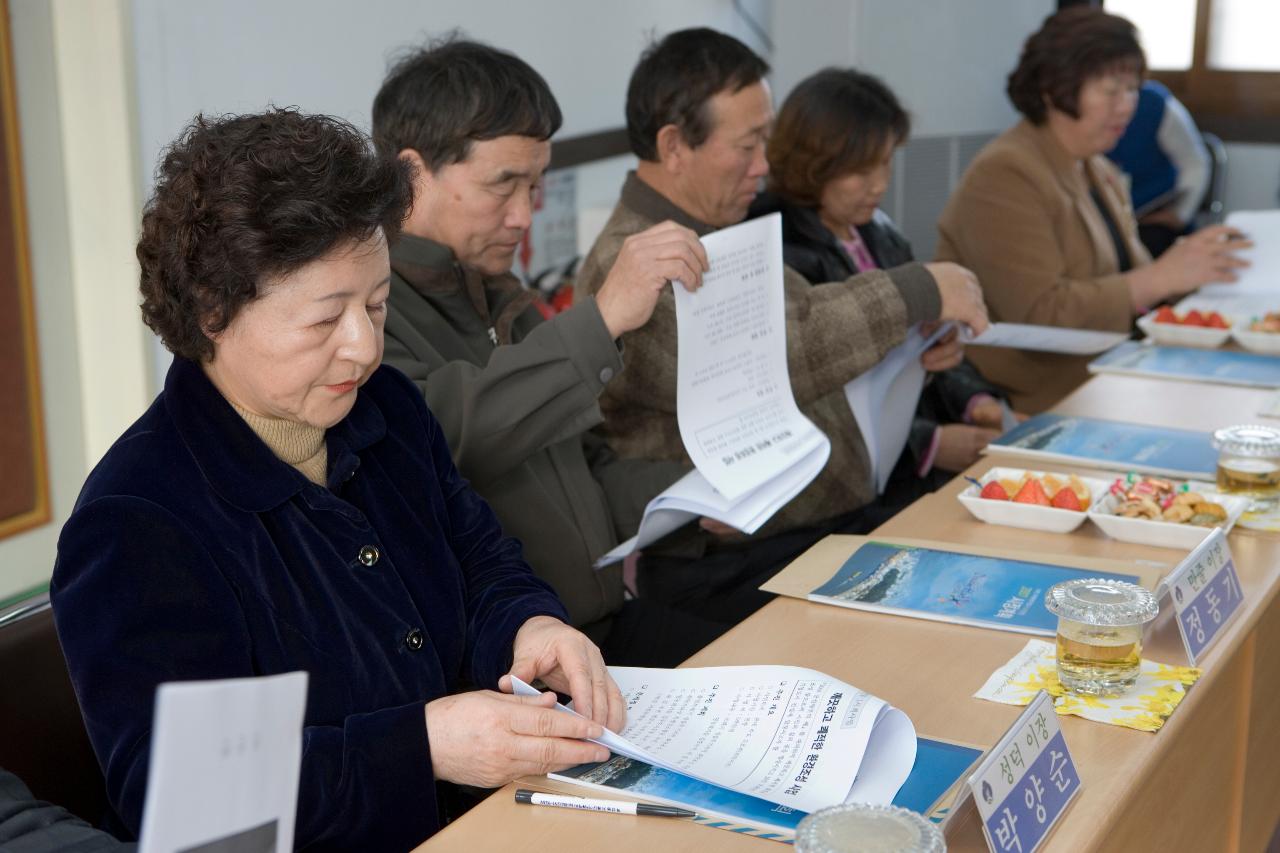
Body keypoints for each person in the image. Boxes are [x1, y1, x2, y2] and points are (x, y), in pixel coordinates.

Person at [50, 109, 623, 852]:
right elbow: (190, 799)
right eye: (326, 320)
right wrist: (423, 747)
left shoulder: (382, 408)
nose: (365, 345)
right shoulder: (139, 519)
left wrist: (529, 623)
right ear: (214, 312)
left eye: (378, 305)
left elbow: (479, 555)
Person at [577, 28, 990, 624]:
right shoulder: (635, 262)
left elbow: (801, 327)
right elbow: (785, 347)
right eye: (747, 145)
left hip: (811, 532)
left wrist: (916, 342)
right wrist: (919, 289)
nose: (763, 166)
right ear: (673, 147)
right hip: (732, 569)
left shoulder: (714, 230)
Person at [371, 37, 728, 655]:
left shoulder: (502, 294)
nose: (524, 217)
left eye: (534, 187)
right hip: (513, 660)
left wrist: (697, 491)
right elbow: (443, 432)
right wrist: (602, 319)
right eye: (502, 185)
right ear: (412, 173)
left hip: (603, 621)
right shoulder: (371, 310)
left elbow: (585, 468)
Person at [935, 7, 1250, 413]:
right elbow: (1041, 313)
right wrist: (1158, 279)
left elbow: (1134, 279)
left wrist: (1201, 267)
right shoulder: (1006, 172)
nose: (1128, 106)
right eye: (1110, 90)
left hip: (1108, 375)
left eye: (1133, 88)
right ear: (1054, 88)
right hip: (1037, 400)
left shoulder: (1095, 166)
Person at [751, 68, 1016, 510]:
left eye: (886, 162)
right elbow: (806, 391)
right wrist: (928, 443)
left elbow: (926, 342)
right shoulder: (776, 246)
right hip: (848, 488)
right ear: (811, 163)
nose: (879, 184)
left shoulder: (876, 231)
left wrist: (977, 401)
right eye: (859, 170)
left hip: (908, 462)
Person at [1107, 79, 1211, 257]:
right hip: (1104, 220)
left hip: (1151, 217)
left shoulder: (1155, 104)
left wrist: (1180, 214)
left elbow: (1195, 164)